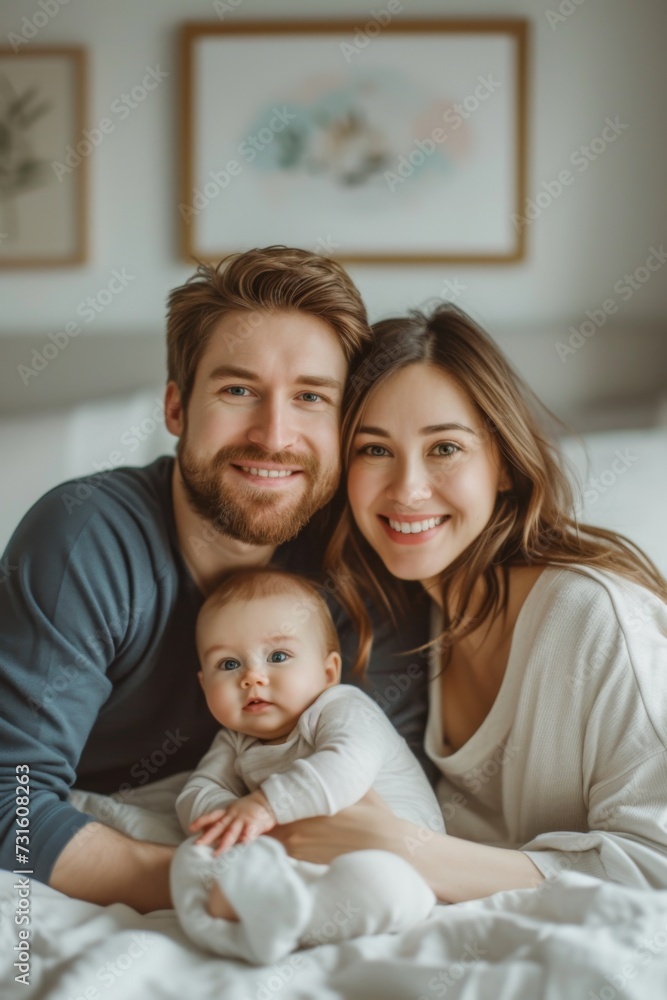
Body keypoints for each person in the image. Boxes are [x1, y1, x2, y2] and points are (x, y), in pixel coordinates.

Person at [0, 247, 433, 914]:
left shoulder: (365, 556)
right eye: (238, 391)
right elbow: (13, 804)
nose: (273, 436)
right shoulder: (83, 538)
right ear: (176, 407)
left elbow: (393, 793)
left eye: (311, 398)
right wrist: (214, 888)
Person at [266, 303, 667, 903]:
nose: (406, 490)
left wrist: (404, 849)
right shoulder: (398, 622)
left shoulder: (590, 618)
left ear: (502, 464)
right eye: (373, 450)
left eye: (445, 449)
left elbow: (656, 866)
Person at [169, 566, 441, 965]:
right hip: (298, 861)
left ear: (328, 671)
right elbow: (195, 793)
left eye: (278, 656)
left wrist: (263, 807)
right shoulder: (234, 739)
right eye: (228, 665)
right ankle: (267, 914)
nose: (252, 677)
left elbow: (344, 769)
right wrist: (231, 823)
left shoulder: (342, 708)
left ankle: (275, 919)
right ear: (203, 683)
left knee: (390, 889)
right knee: (190, 856)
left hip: (392, 855)